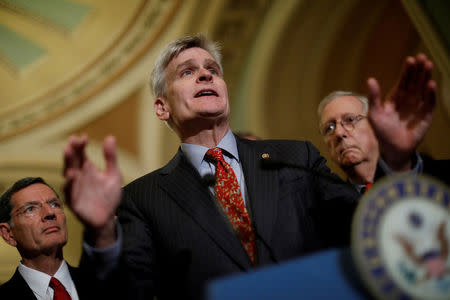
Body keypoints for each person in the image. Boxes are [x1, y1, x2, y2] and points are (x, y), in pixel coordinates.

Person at [62, 35, 435, 299]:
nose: (206, 74)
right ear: (162, 107)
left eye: (212, 68)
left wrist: (397, 163)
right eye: (187, 72)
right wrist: (101, 236)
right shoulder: (142, 198)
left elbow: (364, 231)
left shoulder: (296, 157)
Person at [318, 55, 449, 191]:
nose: (338, 133)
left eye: (350, 120)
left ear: (374, 127)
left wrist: (400, 165)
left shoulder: (442, 177)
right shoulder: (329, 209)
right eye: (329, 128)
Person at [0, 177, 129, 299]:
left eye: (54, 204)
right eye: (30, 209)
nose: (50, 213)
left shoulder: (109, 287)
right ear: (8, 234)